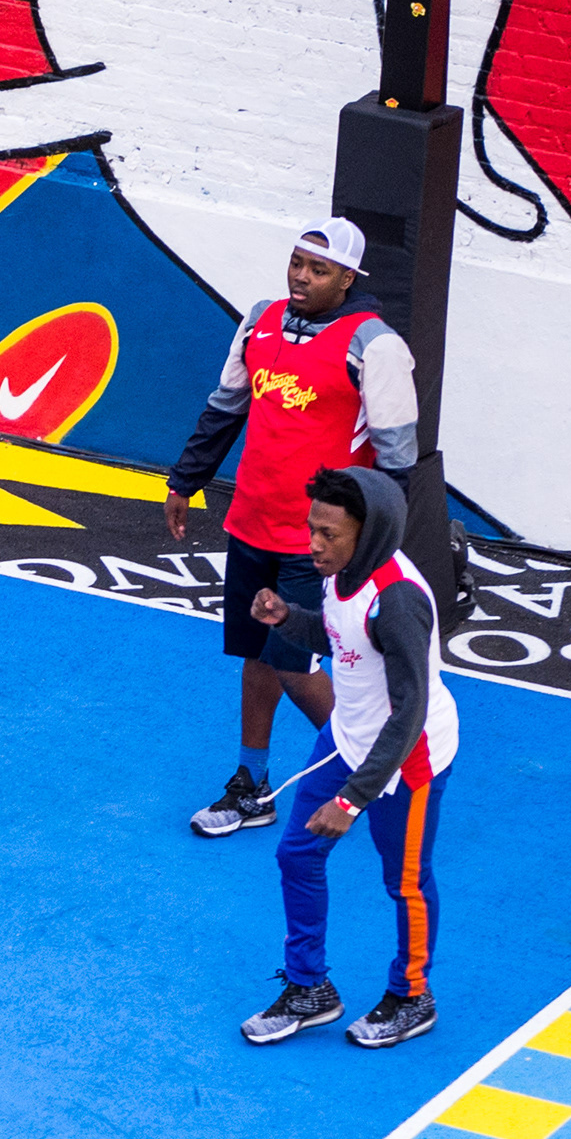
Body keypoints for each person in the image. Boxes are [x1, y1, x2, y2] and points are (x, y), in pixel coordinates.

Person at [164, 219, 419, 838]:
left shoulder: (375, 346)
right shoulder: (260, 320)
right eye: (297, 262)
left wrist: (375, 545)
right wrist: (186, 479)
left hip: (319, 542)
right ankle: (252, 784)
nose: (301, 277)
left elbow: (397, 460)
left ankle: (375, 775)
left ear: (348, 278)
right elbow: (226, 408)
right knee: (257, 656)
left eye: (319, 269)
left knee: (294, 665)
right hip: (251, 521)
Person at [237, 464, 457, 1050]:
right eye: (311, 529)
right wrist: (291, 620)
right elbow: (342, 639)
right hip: (348, 737)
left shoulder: (398, 601)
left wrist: (352, 799)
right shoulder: (340, 574)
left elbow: (410, 712)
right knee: (297, 854)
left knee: (405, 882)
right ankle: (310, 988)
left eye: (328, 534)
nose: (313, 543)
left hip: (408, 758)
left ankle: (412, 996)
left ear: (370, 532)